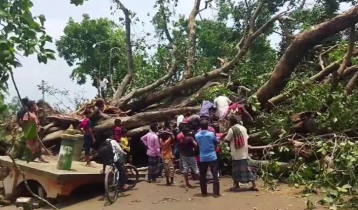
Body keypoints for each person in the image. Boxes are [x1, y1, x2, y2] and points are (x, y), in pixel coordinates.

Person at [224, 115, 258, 192]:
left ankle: (237, 186)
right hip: (244, 152)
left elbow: (227, 139)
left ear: (231, 122)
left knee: (236, 171)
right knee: (248, 169)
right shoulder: (243, 128)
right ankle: (254, 185)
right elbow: (246, 138)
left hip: (236, 153)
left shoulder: (232, 129)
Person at [195, 120, 220, 197]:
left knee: (203, 176)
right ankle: (216, 193)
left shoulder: (197, 135)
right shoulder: (211, 134)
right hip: (212, 156)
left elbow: (198, 144)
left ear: (200, 127)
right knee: (215, 175)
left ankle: (204, 193)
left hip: (203, 158)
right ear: (207, 126)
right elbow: (217, 141)